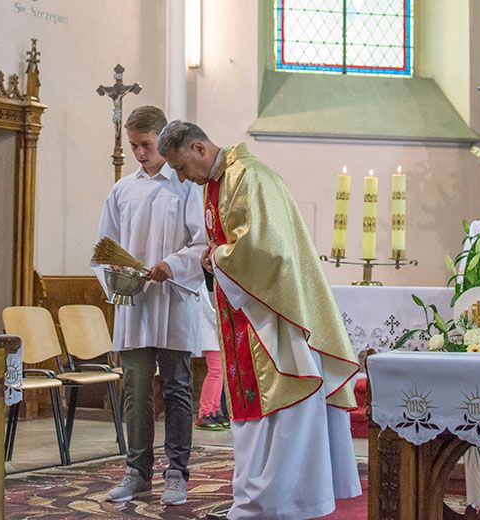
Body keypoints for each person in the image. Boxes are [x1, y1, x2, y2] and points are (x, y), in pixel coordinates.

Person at [157, 120, 362, 519]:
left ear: (199, 149)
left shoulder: (249, 177)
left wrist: (215, 257)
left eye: (181, 167)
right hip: (249, 314)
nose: (182, 178)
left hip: (274, 321)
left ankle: (280, 501)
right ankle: (262, 498)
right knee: (259, 412)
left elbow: (264, 250)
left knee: (285, 405)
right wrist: (213, 257)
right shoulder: (218, 182)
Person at [92, 106, 206, 506]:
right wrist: (118, 272)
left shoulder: (187, 187)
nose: (139, 153)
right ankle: (136, 472)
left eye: (145, 144)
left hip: (174, 298)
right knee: (135, 389)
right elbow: (103, 248)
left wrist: (171, 265)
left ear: (162, 138)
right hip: (135, 303)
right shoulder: (123, 190)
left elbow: (202, 243)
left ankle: (177, 472)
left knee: (176, 387)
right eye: (133, 146)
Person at [194, 289, 227, 430]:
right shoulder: (201, 282)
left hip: (214, 333)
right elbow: (208, 308)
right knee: (216, 372)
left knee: (219, 373)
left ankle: (214, 411)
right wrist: (225, 319)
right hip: (210, 331)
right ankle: (205, 413)